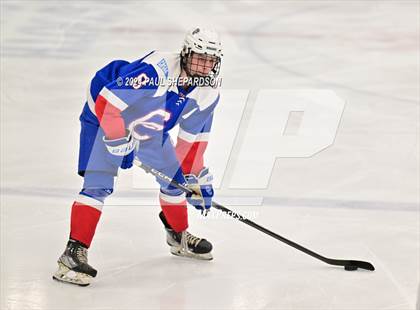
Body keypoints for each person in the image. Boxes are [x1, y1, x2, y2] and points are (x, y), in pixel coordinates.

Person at [53, 27, 222, 286]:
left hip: (147, 126)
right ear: (186, 54)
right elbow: (107, 103)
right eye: (200, 57)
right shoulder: (158, 70)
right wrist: (116, 137)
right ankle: (71, 255)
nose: (205, 66)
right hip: (104, 113)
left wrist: (192, 177)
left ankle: (178, 236)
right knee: (99, 183)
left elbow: (193, 141)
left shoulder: (208, 91)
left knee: (174, 180)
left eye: (211, 61)